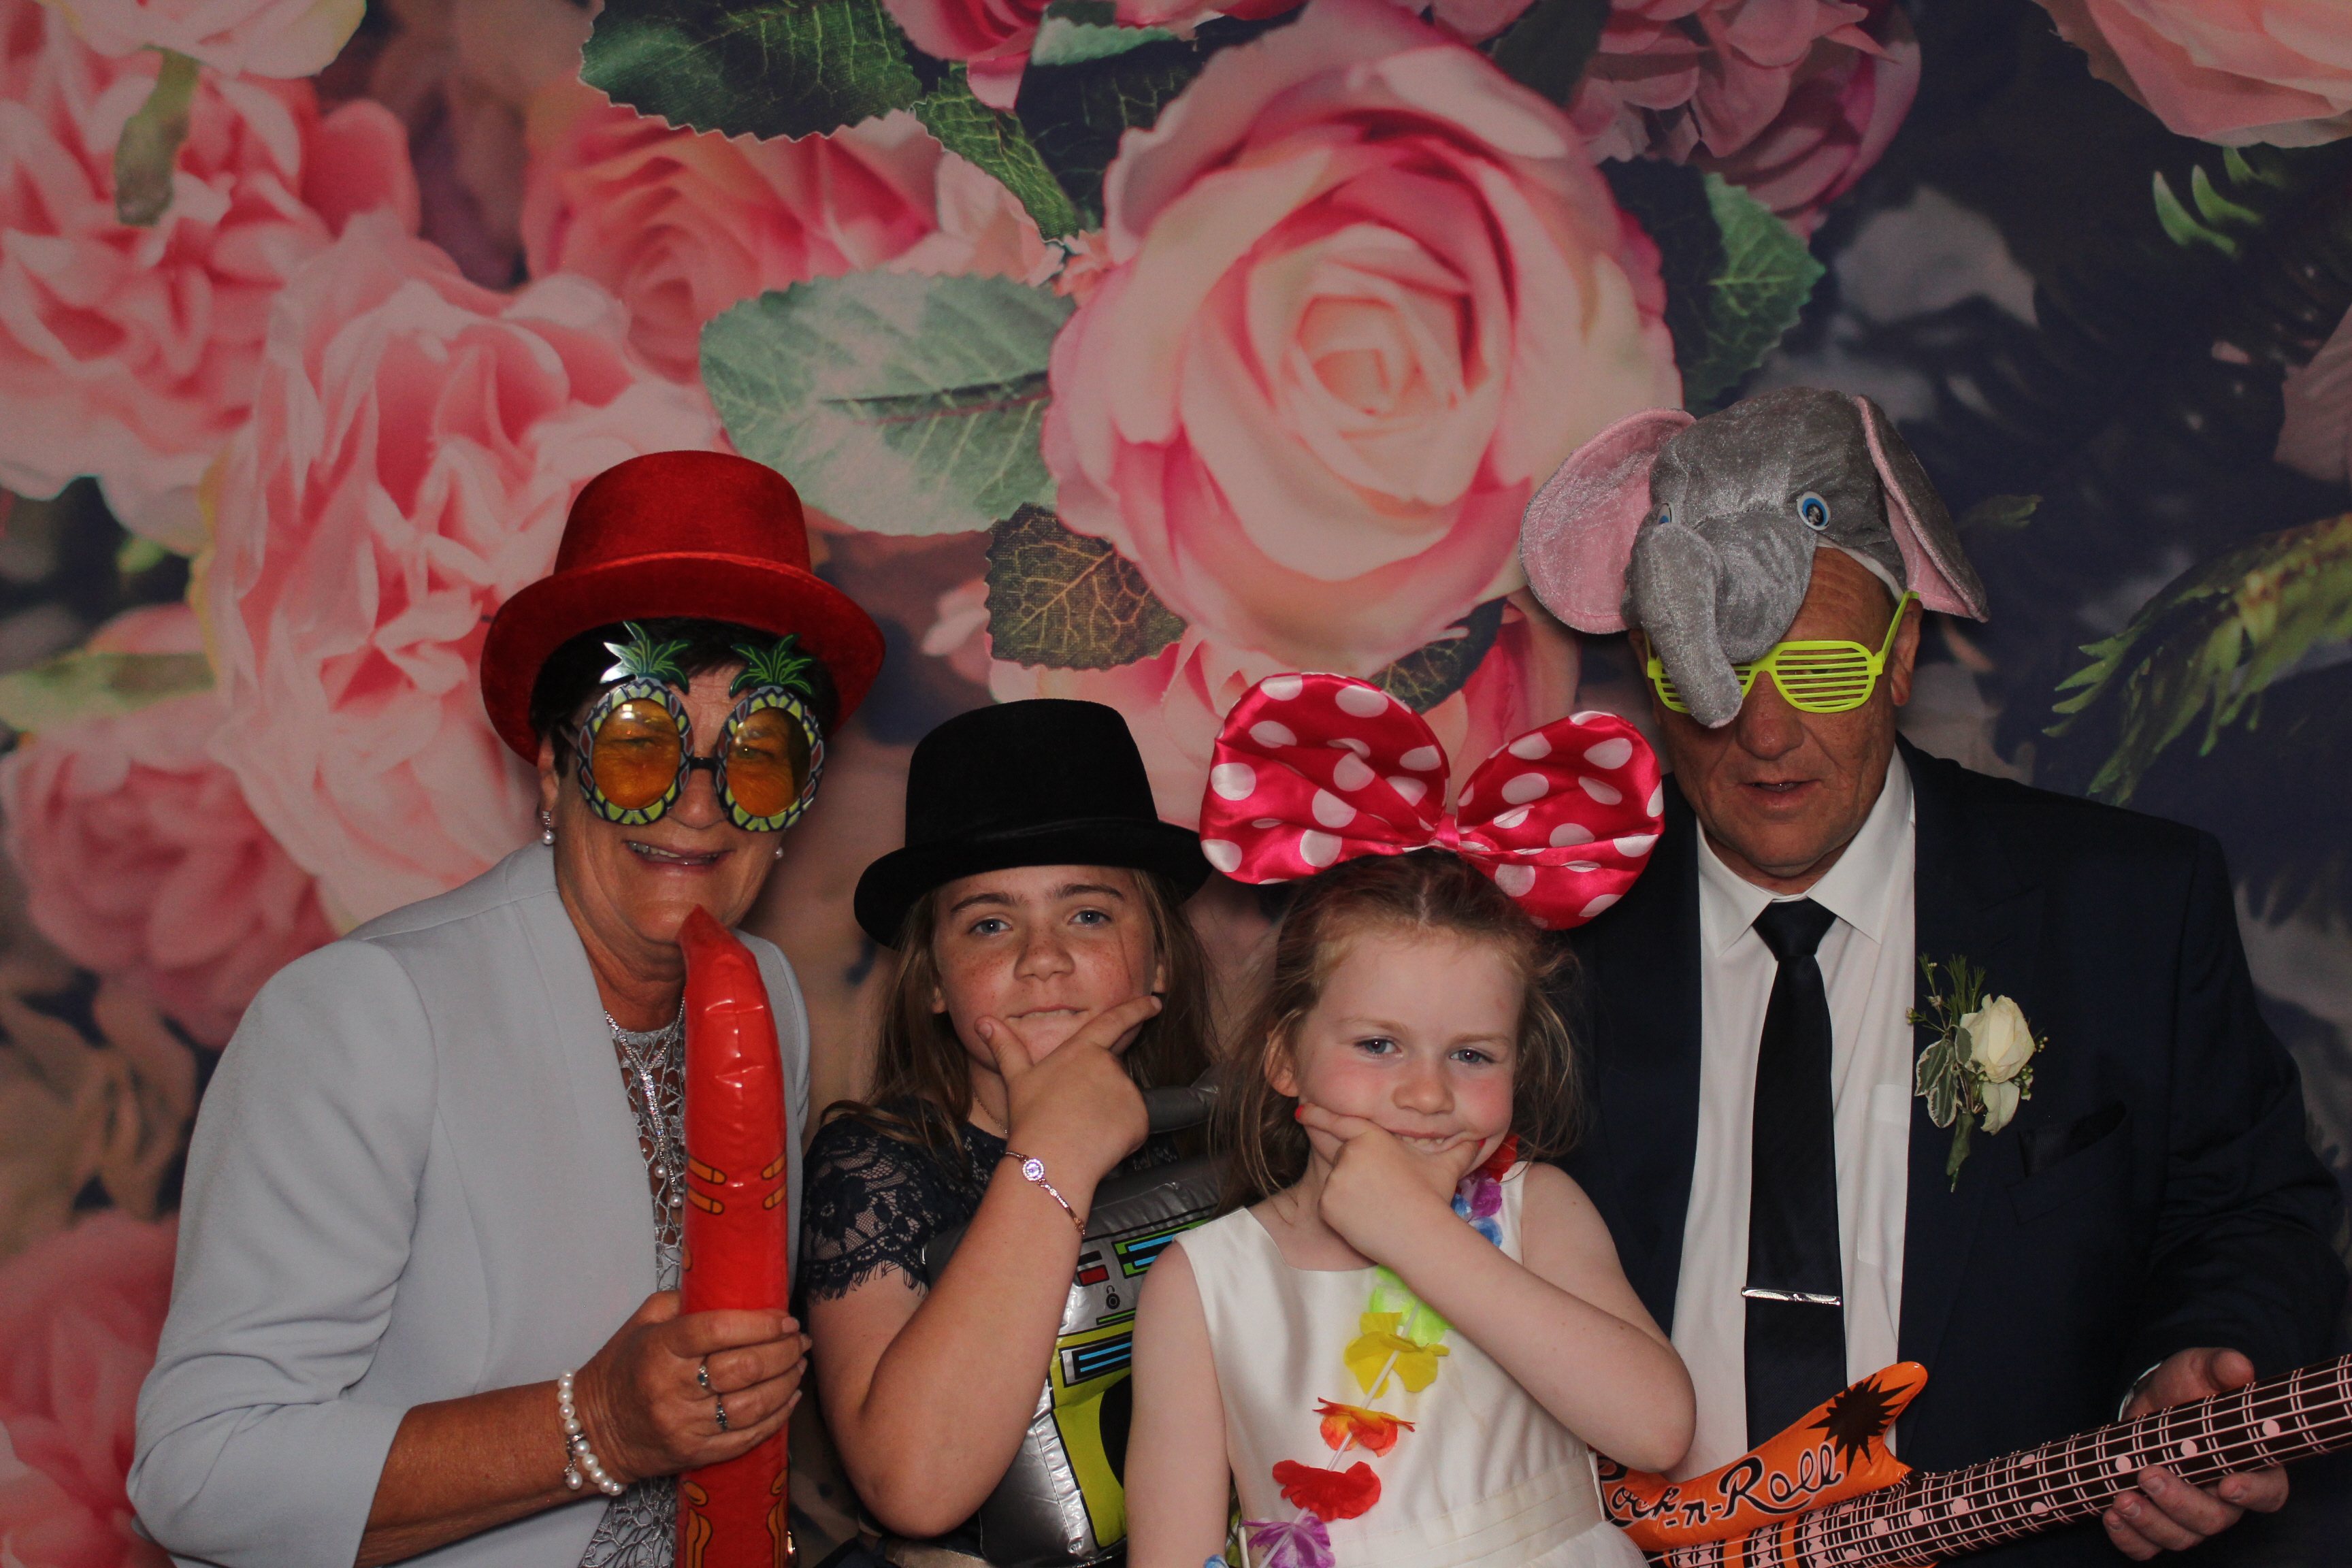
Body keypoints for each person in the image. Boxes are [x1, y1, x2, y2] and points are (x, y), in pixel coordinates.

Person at [1518, 387, 2347, 1564]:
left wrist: (2188, 1367)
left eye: (1818, 670)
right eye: (1717, 676)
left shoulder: (2127, 907)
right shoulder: (1544, 950)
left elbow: (2248, 1208)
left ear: (1901, 653)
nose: (1764, 733)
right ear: (1654, 668)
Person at [131, 451, 885, 1568]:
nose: (696, 804)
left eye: (759, 757)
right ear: (550, 763)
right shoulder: (367, 1012)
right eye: (639, 742)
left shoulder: (764, 989)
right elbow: (199, 1470)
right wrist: (598, 1424)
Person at [1125, 672, 1695, 1568]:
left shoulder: (1535, 1211)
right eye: (1379, 1045)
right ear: (1284, 1056)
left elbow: (1657, 1430)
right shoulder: (1205, 1283)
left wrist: (1415, 1232)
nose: (1427, 1095)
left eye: (1472, 1055)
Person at [800, 698, 1217, 1567]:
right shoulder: (871, 1169)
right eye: (990, 924)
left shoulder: (1221, 1134)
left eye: (1088, 914)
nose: (1042, 958)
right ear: (934, 981)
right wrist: (1053, 1150)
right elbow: (913, 1486)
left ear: (1160, 957)